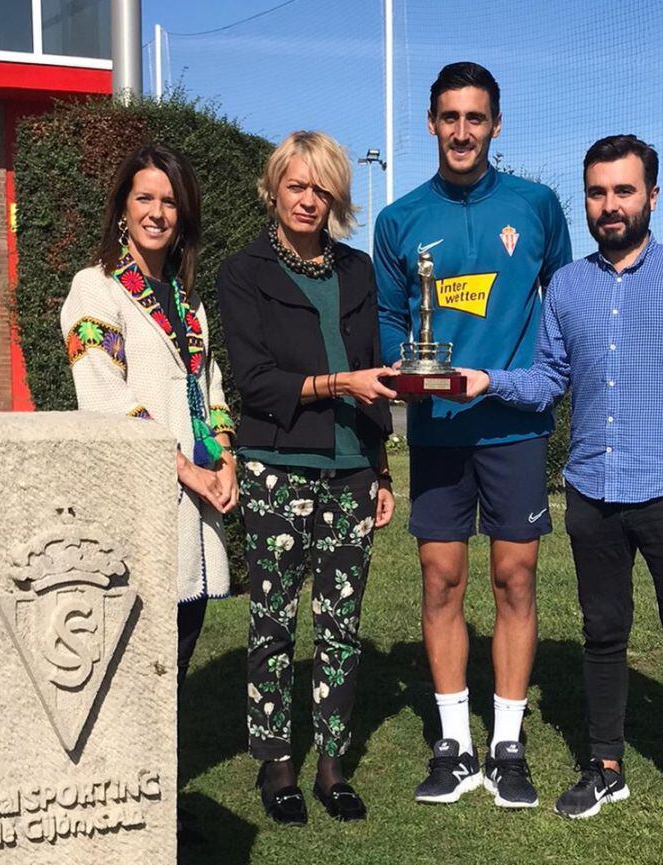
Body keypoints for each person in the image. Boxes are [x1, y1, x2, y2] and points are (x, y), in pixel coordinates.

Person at [460, 134, 663, 837]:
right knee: (601, 632)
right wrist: (486, 380)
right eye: (597, 193)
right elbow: (547, 380)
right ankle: (605, 765)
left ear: (653, 195)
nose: (610, 205)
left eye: (624, 191)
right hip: (592, 487)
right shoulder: (567, 285)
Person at [374, 61, 572, 809]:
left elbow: (561, 295)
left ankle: (508, 745)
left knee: (515, 577)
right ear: (430, 123)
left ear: (496, 124)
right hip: (438, 428)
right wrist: (404, 363)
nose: (462, 131)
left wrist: (544, 371)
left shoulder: (537, 205)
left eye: (475, 118)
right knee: (441, 579)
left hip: (514, 427)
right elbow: (395, 318)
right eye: (449, 117)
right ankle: (454, 744)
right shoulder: (399, 220)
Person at [216, 130, 396, 826]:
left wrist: (380, 468)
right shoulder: (245, 271)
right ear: (274, 189)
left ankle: (331, 763)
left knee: (340, 624)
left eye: (321, 188)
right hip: (275, 467)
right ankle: (276, 762)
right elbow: (256, 380)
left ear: (337, 197)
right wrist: (335, 383)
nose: (308, 199)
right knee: (272, 620)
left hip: (351, 470)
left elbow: (376, 370)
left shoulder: (356, 272)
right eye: (297, 185)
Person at [61, 143, 236, 694]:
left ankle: (162, 777)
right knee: (131, 661)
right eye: (145, 198)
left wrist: (226, 458)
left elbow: (210, 389)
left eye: (170, 201)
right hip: (138, 497)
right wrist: (184, 467)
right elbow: (101, 392)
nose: (157, 212)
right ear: (122, 209)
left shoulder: (189, 305)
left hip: (197, 497)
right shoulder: (97, 288)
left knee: (176, 655)